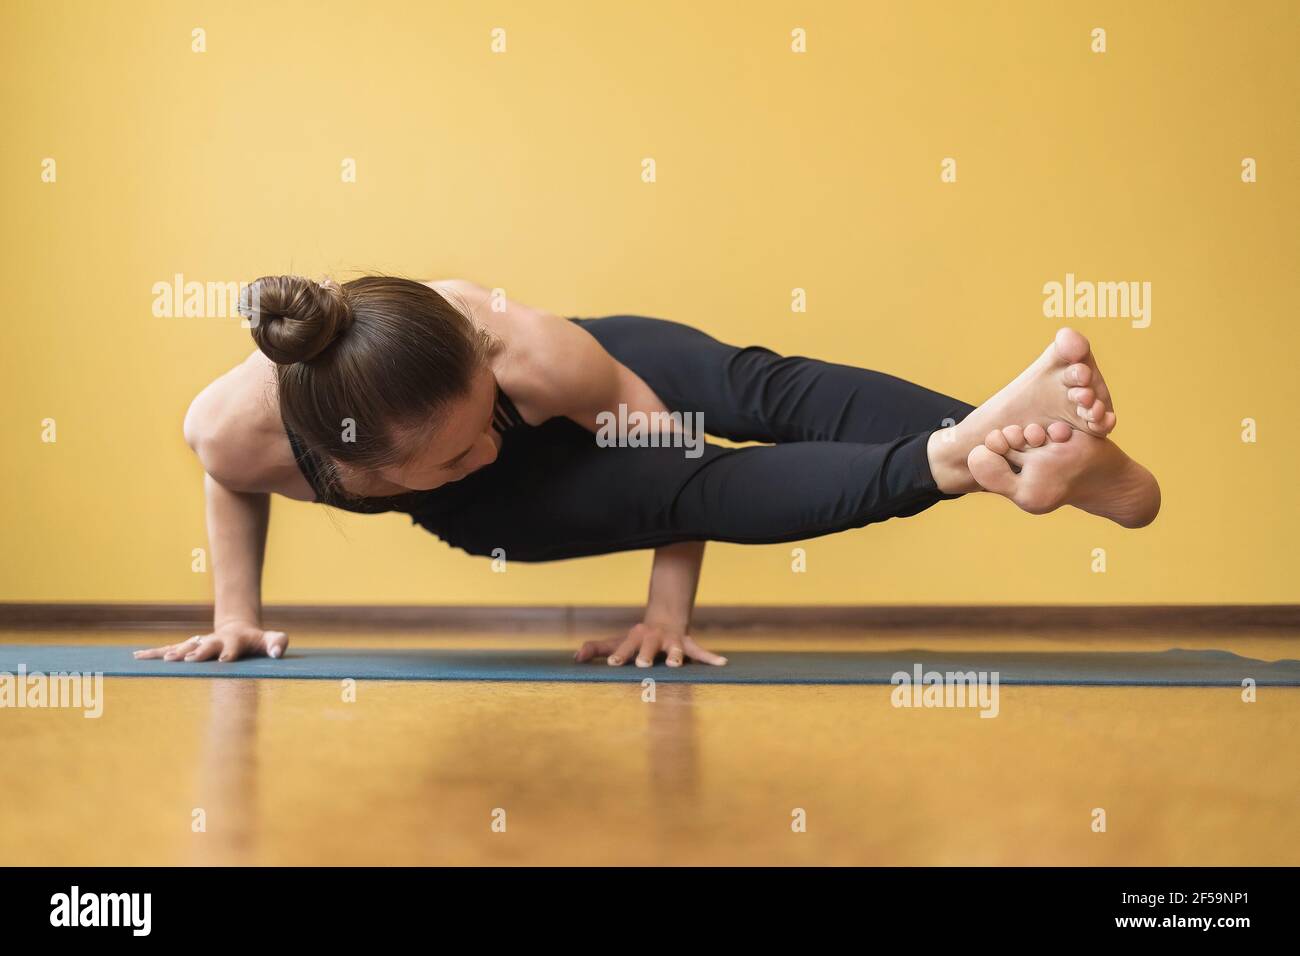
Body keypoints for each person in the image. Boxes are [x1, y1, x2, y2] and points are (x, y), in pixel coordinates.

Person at [135, 275, 1159, 668]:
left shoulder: (522, 349)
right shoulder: (233, 428)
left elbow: (675, 468)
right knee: (678, 481)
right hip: (509, 514)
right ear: (359, 462)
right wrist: (235, 611)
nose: (484, 440)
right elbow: (229, 481)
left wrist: (666, 611)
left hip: (612, 382)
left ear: (482, 359)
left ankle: (1038, 450)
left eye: (483, 416)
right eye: (451, 452)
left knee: (761, 390)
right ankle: (969, 453)